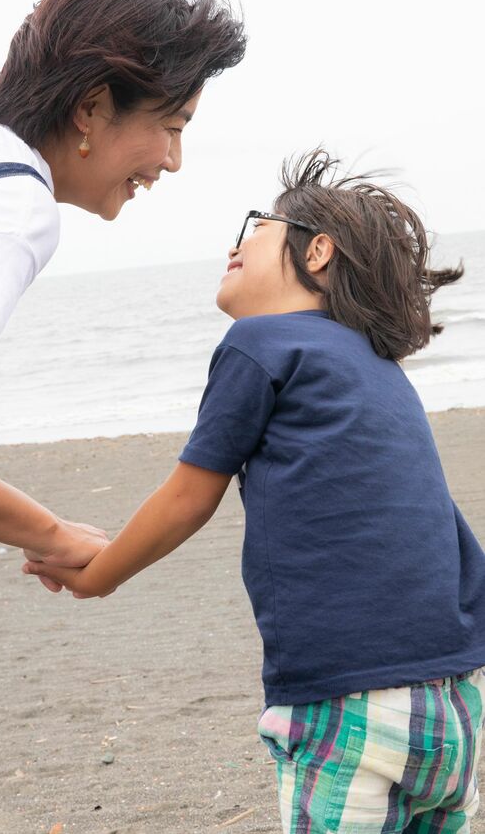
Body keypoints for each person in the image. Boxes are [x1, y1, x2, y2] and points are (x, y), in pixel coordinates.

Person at [0, 0, 246, 831]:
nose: (175, 161)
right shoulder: (11, 202)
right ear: (91, 109)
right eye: (171, 125)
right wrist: (53, 533)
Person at [24, 149, 485, 832]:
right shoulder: (379, 368)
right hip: (458, 704)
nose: (233, 244)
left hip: (349, 700)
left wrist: (100, 573)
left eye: (256, 226)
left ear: (317, 250)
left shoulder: (261, 343)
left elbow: (190, 495)